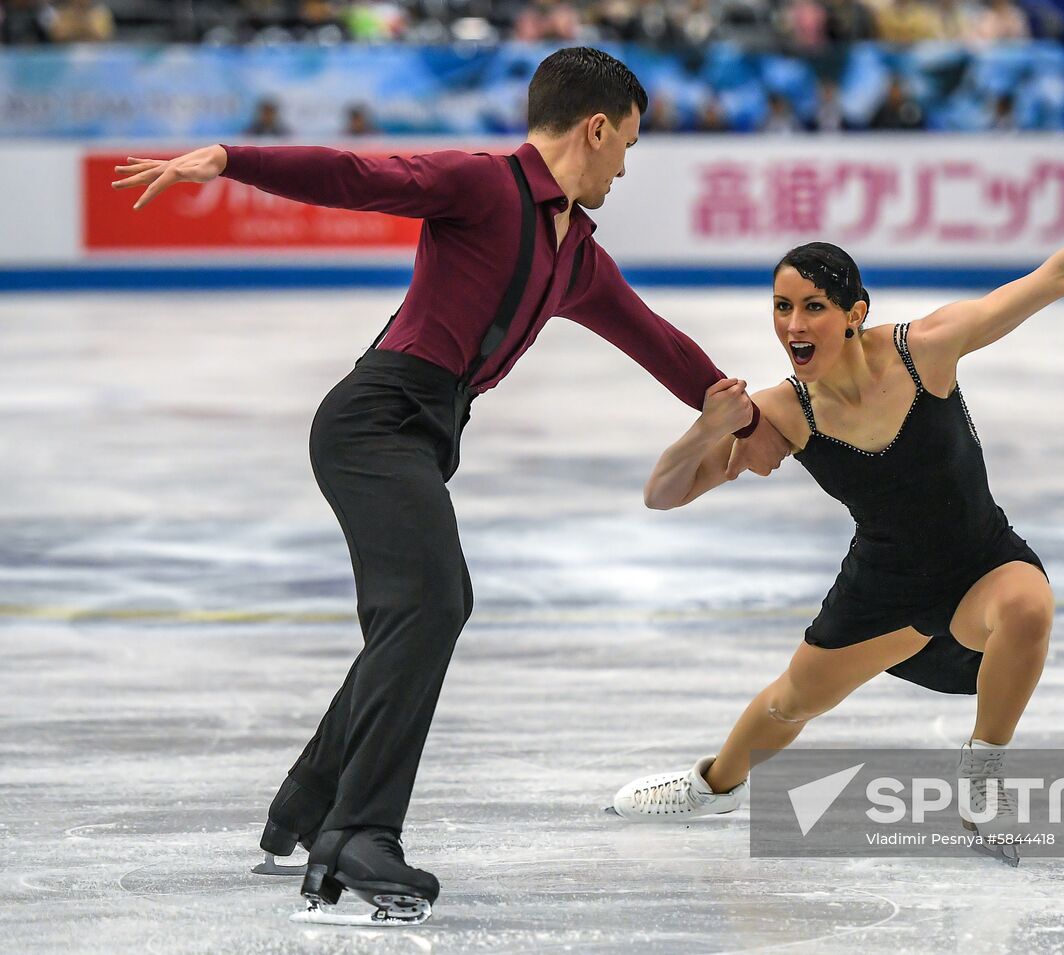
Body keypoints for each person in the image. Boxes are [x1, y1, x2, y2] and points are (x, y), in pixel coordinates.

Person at [111, 47, 789, 925]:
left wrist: (739, 413)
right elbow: (358, 173)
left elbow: (654, 338)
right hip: (374, 421)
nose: (625, 163)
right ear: (594, 128)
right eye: (626, 142)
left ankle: (310, 807)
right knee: (428, 604)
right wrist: (233, 160)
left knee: (435, 602)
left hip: (426, 434)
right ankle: (358, 834)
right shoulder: (483, 187)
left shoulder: (576, 252)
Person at [609, 160, 1064, 866]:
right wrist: (704, 427)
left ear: (855, 313)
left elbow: (1053, 277)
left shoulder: (925, 352)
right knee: (791, 702)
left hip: (980, 562)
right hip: (884, 586)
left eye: (813, 306)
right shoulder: (783, 411)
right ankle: (710, 784)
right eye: (782, 308)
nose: (793, 324)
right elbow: (661, 494)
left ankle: (982, 773)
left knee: (1029, 606)